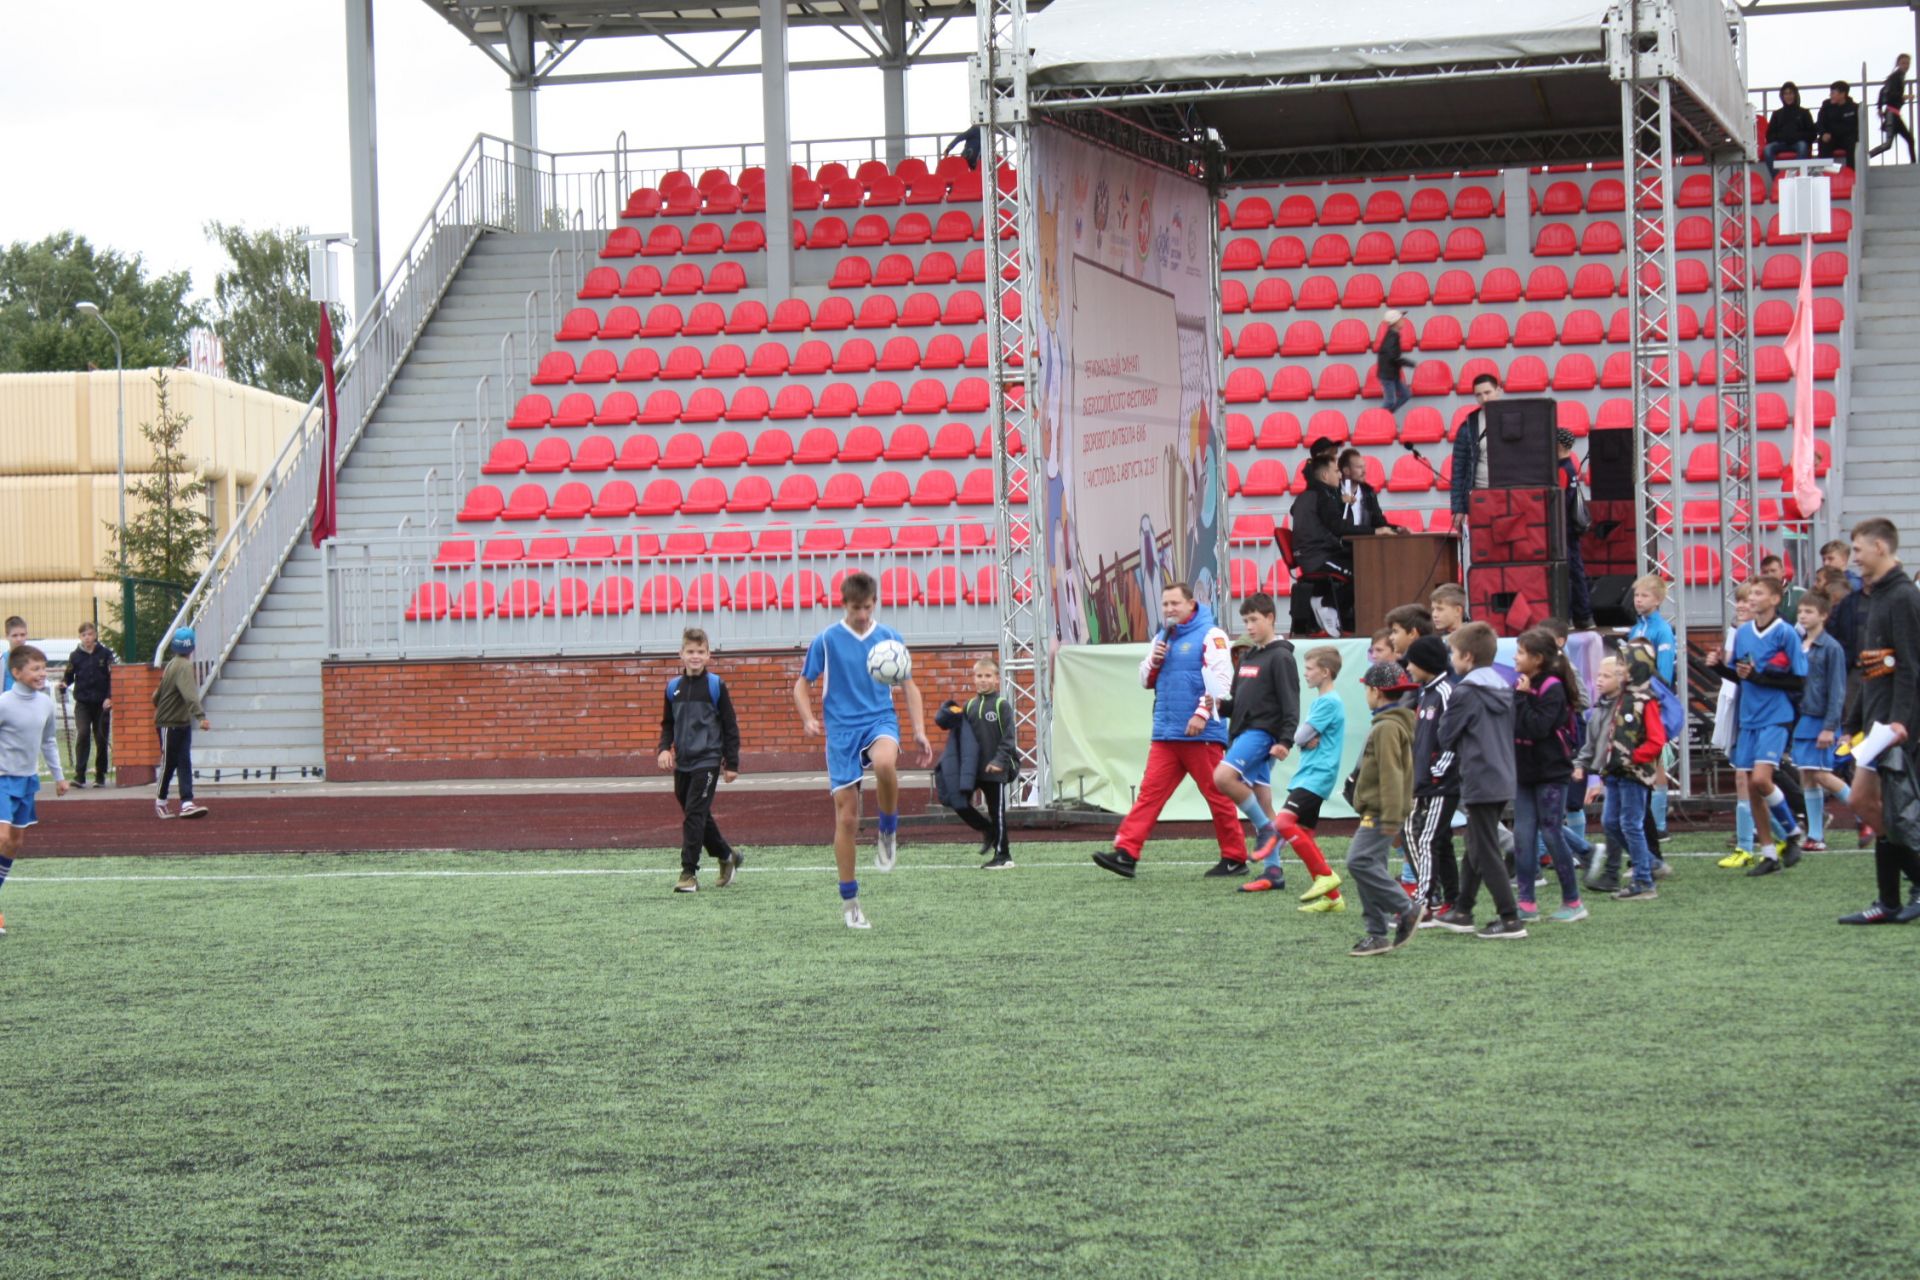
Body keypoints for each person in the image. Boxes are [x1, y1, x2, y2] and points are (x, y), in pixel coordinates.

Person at [793, 571, 932, 929]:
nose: (862, 615)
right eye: (856, 609)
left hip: (879, 720)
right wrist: (808, 717)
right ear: (844, 605)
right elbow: (802, 684)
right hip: (841, 733)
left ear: (875, 603)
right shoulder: (826, 640)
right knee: (848, 819)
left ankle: (888, 830)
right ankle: (850, 901)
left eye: (868, 608)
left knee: (885, 763)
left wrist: (918, 729)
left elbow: (909, 686)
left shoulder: (889, 638)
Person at [1095, 582, 1247, 879]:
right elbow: (1144, 679)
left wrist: (1202, 715)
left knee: (1217, 795)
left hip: (1200, 735)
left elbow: (1222, 681)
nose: (1169, 609)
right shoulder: (1162, 638)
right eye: (1165, 604)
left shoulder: (1212, 635)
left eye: (1175, 603)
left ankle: (1234, 857)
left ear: (1191, 604)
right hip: (1166, 733)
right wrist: (1155, 660)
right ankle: (1126, 853)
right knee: (1149, 795)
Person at [1838, 518, 1920, 923]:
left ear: (1881, 548)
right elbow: (1872, 669)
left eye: (1858, 550)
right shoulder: (1878, 596)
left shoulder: (1903, 597)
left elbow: (1909, 665)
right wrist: (1853, 720)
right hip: (1876, 721)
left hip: (1895, 725)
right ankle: (1890, 900)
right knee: (1869, 805)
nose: (1854, 558)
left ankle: (1895, 897)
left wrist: (1901, 721)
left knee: (1884, 807)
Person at [1429, 622, 1526, 939]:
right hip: (1502, 774)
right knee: (1476, 842)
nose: (1451, 659)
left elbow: (1445, 735)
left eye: (1454, 653)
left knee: (1484, 848)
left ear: (1467, 656)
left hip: (1480, 775)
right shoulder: (1503, 686)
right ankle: (1463, 909)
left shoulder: (1465, 692)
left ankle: (1510, 918)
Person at [1710, 576, 1809, 876]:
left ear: (1775, 599)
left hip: (1775, 715)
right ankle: (1769, 853)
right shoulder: (1742, 634)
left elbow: (1799, 680)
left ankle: (1792, 831)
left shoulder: (1786, 633)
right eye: (1749, 593)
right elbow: (1742, 676)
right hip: (1748, 717)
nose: (1751, 598)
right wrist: (1717, 668)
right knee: (1751, 788)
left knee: (1762, 780)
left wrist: (1759, 678)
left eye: (1758, 593)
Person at [1242, 646, 1346, 908]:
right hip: (1311, 775)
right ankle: (1333, 899)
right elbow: (1305, 737)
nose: (1306, 674)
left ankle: (1325, 875)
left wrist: (1302, 739)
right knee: (1303, 834)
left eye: (1310, 669)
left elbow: (1299, 737)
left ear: (1325, 672)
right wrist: (1306, 738)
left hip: (1315, 776)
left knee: (1285, 822)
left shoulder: (1327, 702)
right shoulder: (1325, 701)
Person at [1211, 593, 1299, 877]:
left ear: (1271, 618)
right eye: (1245, 620)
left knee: (1223, 777)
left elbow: (1290, 703)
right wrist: (1218, 705)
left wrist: (1285, 740)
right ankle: (1274, 872)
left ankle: (1266, 829)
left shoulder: (1281, 656)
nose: (1248, 626)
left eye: (1254, 620)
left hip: (1261, 733)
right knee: (1262, 801)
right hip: (1242, 732)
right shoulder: (1248, 655)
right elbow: (1235, 701)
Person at [1343, 662, 1422, 957]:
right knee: (1369, 867)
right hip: (1380, 809)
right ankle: (1377, 934)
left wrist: (1390, 818)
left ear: (1375, 692)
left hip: (1380, 811)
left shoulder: (1387, 727)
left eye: (1366, 689)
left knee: (1358, 862)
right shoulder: (1390, 723)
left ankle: (1406, 909)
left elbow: (1391, 773)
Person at [657, 627, 742, 894]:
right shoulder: (673, 688)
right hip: (683, 762)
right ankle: (727, 855)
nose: (695, 656)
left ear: (709, 656)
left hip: (708, 760)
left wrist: (732, 763)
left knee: (694, 815)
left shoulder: (716, 686)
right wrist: (664, 748)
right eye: (690, 651)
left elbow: (730, 726)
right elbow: (667, 724)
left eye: (700, 652)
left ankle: (688, 873)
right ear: (681, 654)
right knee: (697, 814)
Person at [1577, 649, 1666, 900]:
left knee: (1630, 824)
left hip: (1633, 773)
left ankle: (1644, 881)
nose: (1619, 669)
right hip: (1614, 771)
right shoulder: (1619, 698)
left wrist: (1633, 757)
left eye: (1623, 665)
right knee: (1611, 822)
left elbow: (1656, 740)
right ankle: (1649, 864)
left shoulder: (1644, 700)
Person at [1511, 629, 1587, 923]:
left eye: (1520, 652)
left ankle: (1573, 900)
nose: (1516, 658)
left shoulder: (1552, 687)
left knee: (1552, 832)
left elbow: (1537, 728)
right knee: (1523, 834)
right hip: (1525, 771)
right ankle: (1526, 902)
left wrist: (1520, 699)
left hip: (1551, 773)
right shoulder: (1524, 684)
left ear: (1537, 658)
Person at [0, 644, 69, 936]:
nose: (42, 674)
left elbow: (49, 741)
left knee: (14, 843)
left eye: (43, 668)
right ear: (16, 672)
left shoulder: (45, 703)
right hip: (2, 779)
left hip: (27, 781)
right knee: (1, 835)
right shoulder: (3, 703)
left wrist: (60, 777)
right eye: (35, 669)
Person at [934, 656, 1019, 870]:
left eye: (988, 676)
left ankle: (1003, 855)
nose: (983, 680)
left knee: (996, 812)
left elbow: (1009, 738)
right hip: (973, 771)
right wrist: (947, 711)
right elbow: (952, 726)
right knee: (956, 800)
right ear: (974, 679)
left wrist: (999, 761)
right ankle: (986, 829)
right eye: (979, 676)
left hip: (996, 769)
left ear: (997, 679)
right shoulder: (970, 706)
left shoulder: (1002, 706)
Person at [1401, 633, 1461, 921]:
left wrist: (1437, 773)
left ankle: (1424, 904)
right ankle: (1452, 899)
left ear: (1425, 663)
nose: (1408, 668)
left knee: (1426, 840)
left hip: (1442, 783)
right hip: (1429, 781)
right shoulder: (1427, 693)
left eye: (1412, 662)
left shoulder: (1447, 693)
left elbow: (1453, 739)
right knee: (1441, 840)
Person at [1793, 592, 1849, 853]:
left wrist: (1830, 726)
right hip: (1803, 718)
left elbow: (1837, 690)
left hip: (1822, 719)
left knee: (1821, 774)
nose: (1803, 616)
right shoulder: (1799, 643)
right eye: (1801, 611)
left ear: (1823, 615)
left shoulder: (1832, 647)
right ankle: (1815, 834)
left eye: (1809, 611)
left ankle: (1870, 815)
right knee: (1807, 775)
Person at [1627, 573, 1677, 836]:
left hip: (1652, 704)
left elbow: (1665, 675)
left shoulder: (1662, 630)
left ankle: (1659, 825)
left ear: (1658, 600)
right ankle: (1646, 821)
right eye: (1636, 595)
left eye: (1644, 595)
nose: (1638, 599)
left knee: (1657, 762)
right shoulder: (1637, 628)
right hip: (1636, 702)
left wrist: (1653, 700)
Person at [1286, 451, 1353, 637]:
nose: (1340, 475)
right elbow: (1338, 528)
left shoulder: (1304, 497)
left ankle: (1324, 602)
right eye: (1337, 471)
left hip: (1310, 555)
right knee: (1362, 573)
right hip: (1316, 557)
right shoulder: (1321, 497)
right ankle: (1327, 603)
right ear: (1325, 475)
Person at [152, 628, 210, 820]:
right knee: (170, 763)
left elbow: (157, 695)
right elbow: (190, 694)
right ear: (192, 647)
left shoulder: (170, 665)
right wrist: (200, 716)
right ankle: (161, 801)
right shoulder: (184, 667)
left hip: (178, 722)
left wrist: (158, 703)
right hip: (171, 722)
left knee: (183, 761)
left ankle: (187, 802)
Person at [59, 622, 115, 788]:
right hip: (83, 702)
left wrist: (109, 697)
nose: (87, 638)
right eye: (84, 635)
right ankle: (80, 775)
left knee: (100, 737)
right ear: (80, 637)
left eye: (90, 634)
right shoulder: (75, 656)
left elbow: (112, 677)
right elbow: (69, 676)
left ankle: (100, 774)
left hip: (101, 703)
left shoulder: (105, 654)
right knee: (83, 733)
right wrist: (63, 684)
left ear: (95, 635)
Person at [1448, 373, 1502, 531]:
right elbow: (1458, 469)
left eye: (1487, 393)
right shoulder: (1468, 426)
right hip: (1480, 497)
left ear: (1498, 390)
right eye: (1478, 395)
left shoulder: (1513, 418)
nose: (1484, 399)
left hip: (1508, 496)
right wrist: (1458, 508)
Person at [1557, 429, 1596, 628]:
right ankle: (1584, 615)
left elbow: (1559, 501)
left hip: (1565, 529)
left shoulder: (1563, 470)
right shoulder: (1571, 466)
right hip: (1571, 529)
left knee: (1571, 574)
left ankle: (1575, 615)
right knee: (1576, 572)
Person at [1336, 447, 1398, 539]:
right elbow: (1337, 527)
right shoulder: (1333, 493)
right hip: (1339, 549)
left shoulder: (1368, 492)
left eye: (1364, 467)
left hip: (1364, 547)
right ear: (1346, 471)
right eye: (1359, 467)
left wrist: (1398, 529)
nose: (1364, 471)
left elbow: (1379, 523)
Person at [1763, 82, 1817, 178]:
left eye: (1791, 93)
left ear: (1795, 94)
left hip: (1798, 143)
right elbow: (1769, 135)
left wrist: (1797, 136)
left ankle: (1796, 176)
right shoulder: (1777, 114)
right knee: (1767, 149)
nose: (1788, 96)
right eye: (1786, 94)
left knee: (1802, 146)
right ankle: (1777, 178)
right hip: (1781, 143)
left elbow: (1812, 134)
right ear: (1782, 96)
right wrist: (1782, 137)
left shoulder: (1804, 112)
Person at [1868, 54, 1915, 162]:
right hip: (1892, 114)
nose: (1906, 65)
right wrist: (1905, 97)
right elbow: (1889, 93)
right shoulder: (1896, 77)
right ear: (1898, 64)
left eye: (1907, 63)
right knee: (1890, 144)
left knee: (1904, 141)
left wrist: (1879, 107)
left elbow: (1883, 91)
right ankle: (1865, 157)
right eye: (1903, 63)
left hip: (1894, 114)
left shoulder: (1898, 76)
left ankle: (1914, 163)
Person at [1377, 309, 1414, 415]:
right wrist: (1410, 363)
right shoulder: (1391, 337)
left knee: (1406, 395)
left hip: (1392, 374)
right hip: (1387, 375)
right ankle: (1379, 419)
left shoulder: (1394, 334)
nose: (1403, 320)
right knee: (1390, 401)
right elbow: (1393, 357)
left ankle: (1387, 415)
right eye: (1401, 318)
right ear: (1395, 322)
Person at [1817, 80, 1860, 167]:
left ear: (1842, 94)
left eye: (1833, 93)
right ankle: (1826, 172)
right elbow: (1820, 122)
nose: (1830, 95)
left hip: (1847, 138)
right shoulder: (1826, 105)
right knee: (1823, 142)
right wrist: (1823, 133)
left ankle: (1852, 173)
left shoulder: (1854, 107)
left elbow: (1854, 127)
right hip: (1831, 137)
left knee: (1853, 143)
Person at [2, 617, 26, 693]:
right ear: (7, 636)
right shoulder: (2, 660)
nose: (19, 639)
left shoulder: (32, 659)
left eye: (22, 635)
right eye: (14, 635)